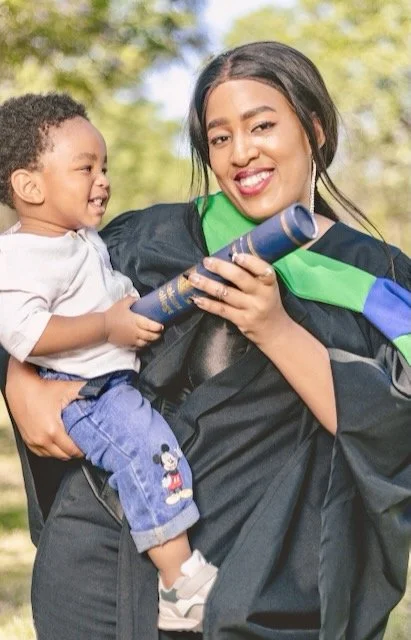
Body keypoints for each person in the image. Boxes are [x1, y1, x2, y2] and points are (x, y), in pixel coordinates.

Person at [1, 40, 410, 640]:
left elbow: (393, 430)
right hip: (100, 563)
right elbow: (26, 305)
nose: (241, 152)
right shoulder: (155, 237)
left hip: (268, 586)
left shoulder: (382, 280)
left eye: (262, 126)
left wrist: (274, 327)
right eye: (220, 138)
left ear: (315, 129)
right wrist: (21, 385)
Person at [0, 93, 217, 633]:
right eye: (86, 169)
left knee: (154, 452)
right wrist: (106, 327)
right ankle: (180, 581)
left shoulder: (77, 239)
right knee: (148, 456)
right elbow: (27, 333)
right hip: (84, 391)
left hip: (107, 381)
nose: (103, 181)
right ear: (30, 187)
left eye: (105, 168)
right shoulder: (21, 255)